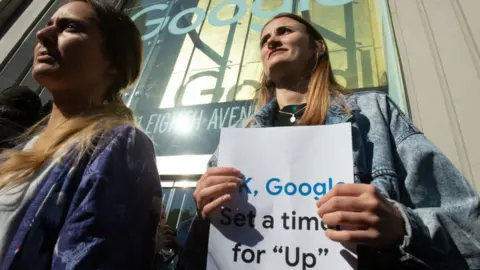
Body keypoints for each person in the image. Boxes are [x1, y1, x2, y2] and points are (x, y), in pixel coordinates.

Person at [186, 13, 480, 270]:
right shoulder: (238, 138)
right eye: (264, 40)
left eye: (284, 31)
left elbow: (469, 226)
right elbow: (201, 255)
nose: (271, 41)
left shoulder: (374, 113)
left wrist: (402, 225)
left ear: (319, 46)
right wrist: (204, 219)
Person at [0, 1, 162, 269]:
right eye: (49, 24)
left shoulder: (120, 144)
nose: (43, 34)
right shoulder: (23, 148)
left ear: (113, 61)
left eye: (70, 27)